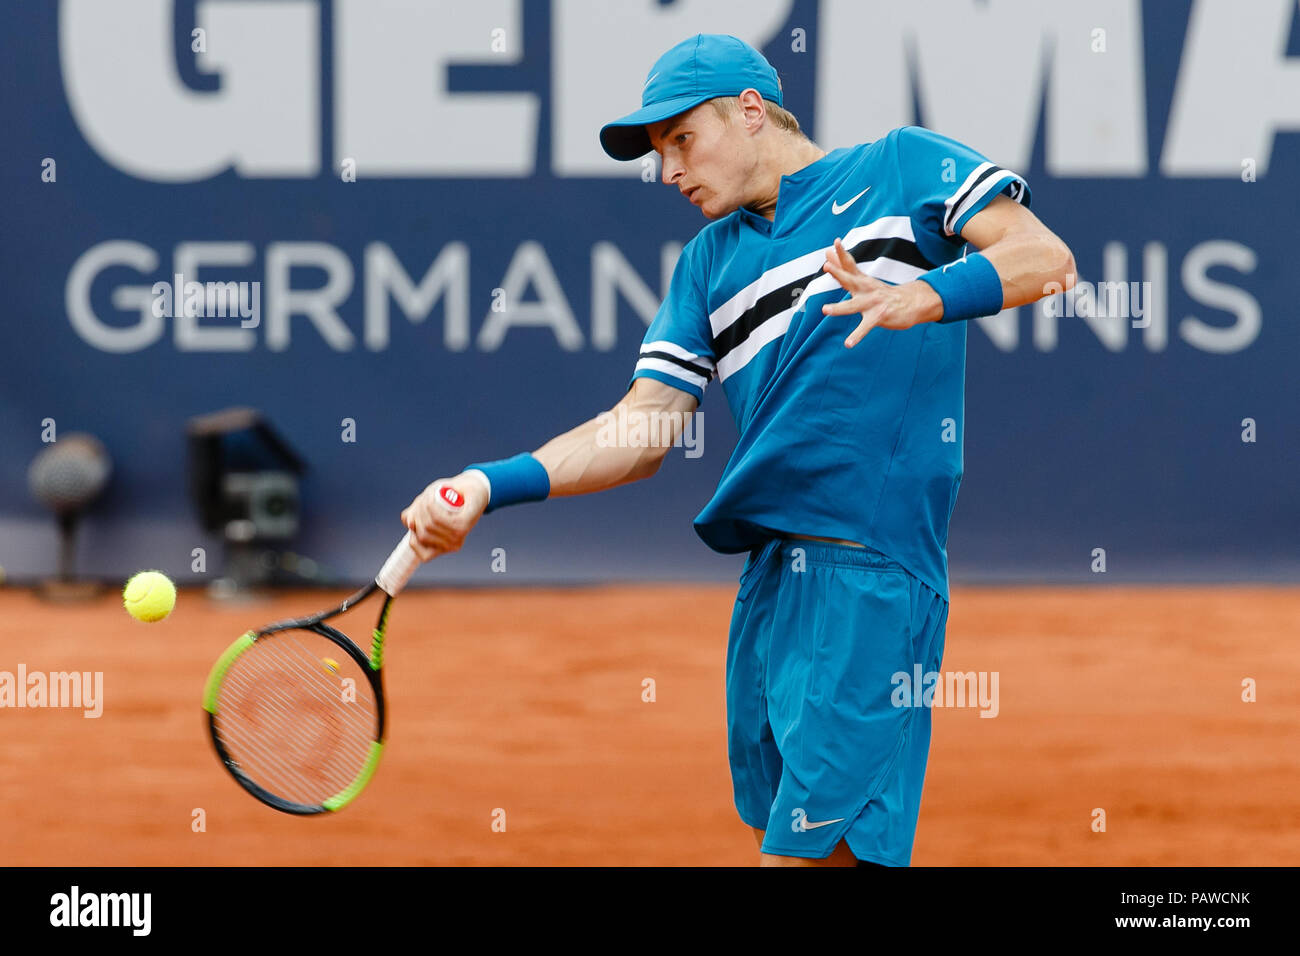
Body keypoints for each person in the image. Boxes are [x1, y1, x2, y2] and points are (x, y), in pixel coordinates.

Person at [401, 33, 1075, 866]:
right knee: (798, 841)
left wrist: (926, 296)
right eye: (657, 154)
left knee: (799, 855)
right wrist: (483, 484)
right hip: (767, 588)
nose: (668, 171)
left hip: (871, 574)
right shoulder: (707, 264)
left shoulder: (903, 167)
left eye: (682, 139)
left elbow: (1046, 259)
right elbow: (644, 430)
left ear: (751, 111)